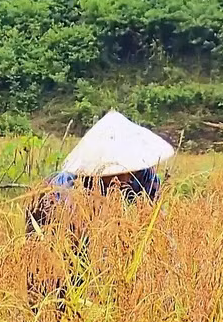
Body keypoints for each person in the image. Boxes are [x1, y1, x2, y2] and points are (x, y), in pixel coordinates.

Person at [26, 110, 174, 311]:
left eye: (127, 172)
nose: (124, 181)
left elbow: (157, 222)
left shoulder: (144, 177)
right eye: (116, 174)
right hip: (66, 249)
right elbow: (67, 241)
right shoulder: (66, 188)